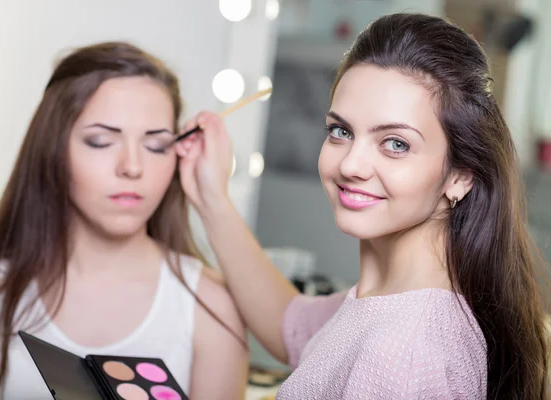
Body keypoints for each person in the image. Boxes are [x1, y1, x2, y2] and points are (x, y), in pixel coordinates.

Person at [176, 13, 550, 399]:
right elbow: (296, 329)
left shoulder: (403, 356)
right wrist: (210, 196)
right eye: (341, 131)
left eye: (396, 143)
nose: (351, 165)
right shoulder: (390, 304)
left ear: (460, 175)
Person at [0, 42, 248, 400]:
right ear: (53, 150)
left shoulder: (211, 307)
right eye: (101, 141)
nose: (132, 166)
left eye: (156, 146)